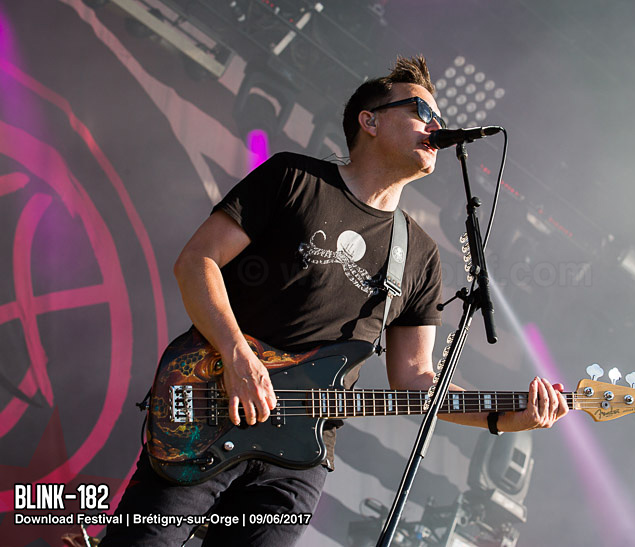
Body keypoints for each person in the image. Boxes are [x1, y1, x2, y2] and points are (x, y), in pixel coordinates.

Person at [100, 55, 568, 547]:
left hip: (297, 461)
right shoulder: (294, 178)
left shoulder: (420, 255)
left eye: (440, 117)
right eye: (422, 112)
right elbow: (196, 261)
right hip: (214, 409)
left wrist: (503, 418)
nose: (437, 126)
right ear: (370, 121)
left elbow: (414, 380)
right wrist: (238, 357)